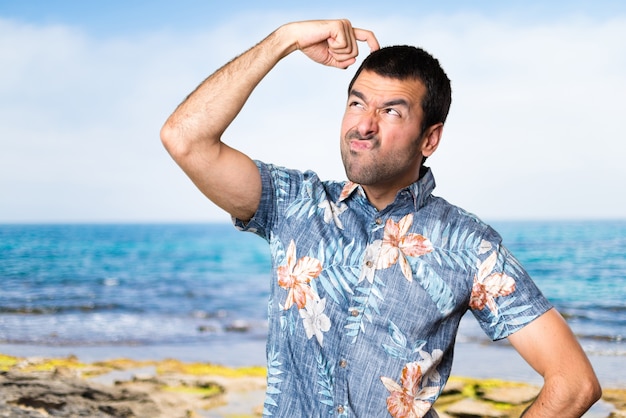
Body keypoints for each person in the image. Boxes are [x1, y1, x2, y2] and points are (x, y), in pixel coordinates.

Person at [161, 19, 601, 418]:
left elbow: (573, 383)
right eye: (357, 103)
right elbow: (185, 138)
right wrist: (285, 39)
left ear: (430, 138)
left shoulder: (469, 245)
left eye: (391, 111)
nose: (364, 125)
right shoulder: (294, 203)